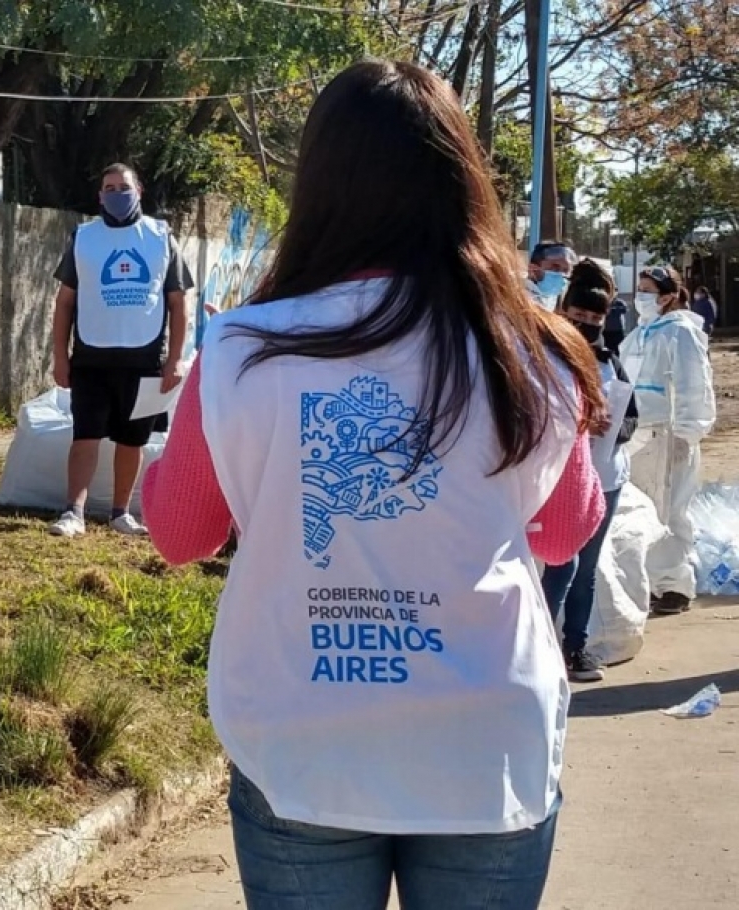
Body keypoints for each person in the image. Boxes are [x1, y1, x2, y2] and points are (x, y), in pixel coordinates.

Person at [141, 61, 608, 910]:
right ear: (463, 181)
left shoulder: (244, 348)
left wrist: (159, 464)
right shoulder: (529, 352)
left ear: (317, 184)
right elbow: (562, 533)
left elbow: (181, 535)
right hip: (484, 743)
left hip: (301, 734)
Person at [47, 163, 194, 538]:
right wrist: (60, 356)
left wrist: (175, 359)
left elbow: (179, 303)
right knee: (85, 435)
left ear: (139, 190)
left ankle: (120, 513)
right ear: (99, 196)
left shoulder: (161, 237)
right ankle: (73, 512)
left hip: (144, 358)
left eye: (123, 187)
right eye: (109, 188)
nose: (116, 194)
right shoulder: (84, 237)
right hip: (91, 355)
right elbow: (64, 302)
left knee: (133, 440)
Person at [542, 261, 639, 682]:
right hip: (562, 479)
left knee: (587, 568)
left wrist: (612, 426)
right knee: (560, 562)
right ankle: (541, 647)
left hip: (606, 478)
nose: (584, 326)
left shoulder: (609, 361)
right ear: (563, 311)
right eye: (577, 317)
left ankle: (576, 647)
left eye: (594, 319)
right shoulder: (543, 357)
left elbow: (631, 417)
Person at [620, 265, 716, 615]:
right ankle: (651, 580)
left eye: (648, 290)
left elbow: (694, 386)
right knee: (643, 510)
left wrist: (688, 433)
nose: (641, 296)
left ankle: (675, 585)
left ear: (667, 296)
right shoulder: (640, 335)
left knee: (672, 510)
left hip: (669, 433)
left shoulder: (680, 333)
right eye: (639, 289)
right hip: (639, 435)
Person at [526, 239, 577, 310]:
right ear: (533, 269)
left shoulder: (550, 297)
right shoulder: (519, 299)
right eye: (555, 268)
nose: (561, 275)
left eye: (565, 271)